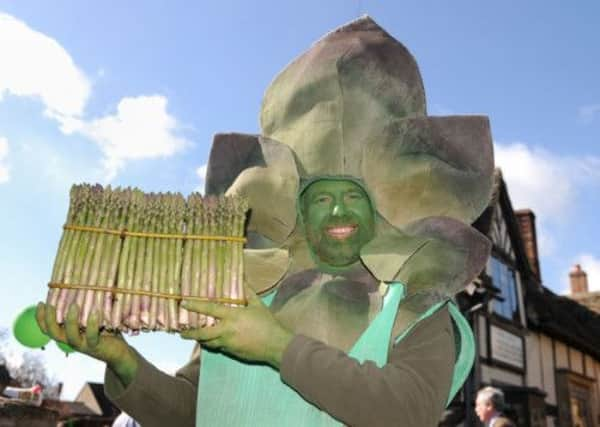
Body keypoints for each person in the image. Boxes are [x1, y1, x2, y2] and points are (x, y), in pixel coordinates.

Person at [37, 16, 495, 427]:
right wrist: (122, 360)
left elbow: (408, 411)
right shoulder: (245, 299)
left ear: (379, 206)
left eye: (352, 195)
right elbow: (193, 411)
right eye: (320, 198)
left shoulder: (420, 306)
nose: (337, 211)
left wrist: (277, 346)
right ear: (297, 206)